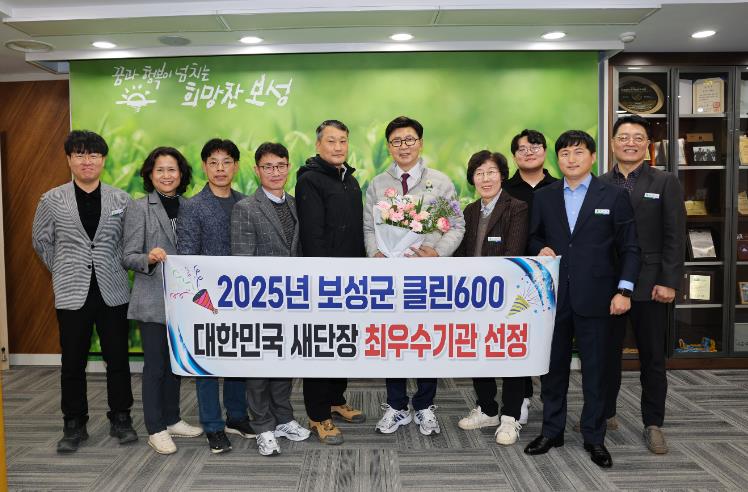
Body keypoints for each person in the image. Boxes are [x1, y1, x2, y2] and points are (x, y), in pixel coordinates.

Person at [523, 130, 640, 469]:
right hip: (554, 298)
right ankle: (551, 431)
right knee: (552, 369)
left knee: (596, 371)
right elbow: (533, 238)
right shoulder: (544, 197)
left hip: (600, 298)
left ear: (592, 157)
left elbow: (630, 247)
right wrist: (539, 248)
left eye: (578, 152)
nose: (571, 159)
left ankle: (594, 436)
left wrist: (624, 290)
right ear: (557, 159)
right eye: (564, 154)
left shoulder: (614, 195)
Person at [32, 130, 137, 453]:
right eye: (79, 155)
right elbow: (41, 241)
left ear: (103, 160)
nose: (86, 161)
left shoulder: (121, 199)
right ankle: (74, 423)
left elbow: (128, 243)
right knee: (73, 362)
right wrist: (64, 268)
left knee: (117, 359)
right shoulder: (51, 199)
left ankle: (121, 418)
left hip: (113, 290)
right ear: (69, 160)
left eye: (93, 155)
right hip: (71, 291)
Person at [363, 115, 465, 436]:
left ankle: (424, 405)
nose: (403, 146)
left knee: (424, 338)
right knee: (393, 339)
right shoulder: (377, 184)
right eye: (396, 141)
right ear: (388, 147)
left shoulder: (441, 182)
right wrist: (376, 254)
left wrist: (438, 252)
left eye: (409, 140)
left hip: (427, 277)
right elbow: (369, 227)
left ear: (420, 143)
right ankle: (396, 406)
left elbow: (457, 224)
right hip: (390, 278)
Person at [598, 115, 685, 454]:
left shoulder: (665, 182)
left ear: (647, 144)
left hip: (650, 284)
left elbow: (675, 234)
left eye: (637, 137)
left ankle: (653, 423)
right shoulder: (600, 183)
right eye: (623, 137)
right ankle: (605, 414)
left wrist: (669, 280)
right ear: (613, 143)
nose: (630, 143)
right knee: (606, 356)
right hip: (608, 284)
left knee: (652, 358)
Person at [231, 142, 311, 456]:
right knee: (259, 369)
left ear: (288, 167)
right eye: (268, 167)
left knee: (284, 362)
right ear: (257, 170)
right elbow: (242, 261)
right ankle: (263, 426)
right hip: (259, 303)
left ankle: (284, 419)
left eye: (280, 166)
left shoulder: (295, 204)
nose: (275, 172)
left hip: (292, 300)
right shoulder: (245, 208)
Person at [122, 147, 203, 455]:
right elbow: (128, 256)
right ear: (150, 175)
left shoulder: (190, 206)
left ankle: (172, 418)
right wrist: (149, 257)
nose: (166, 176)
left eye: (172, 170)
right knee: (155, 367)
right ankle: (155, 428)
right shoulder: (139, 208)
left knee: (175, 365)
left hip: (185, 302)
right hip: (153, 300)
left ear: (181, 174)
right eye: (160, 170)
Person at [176, 138, 254, 454]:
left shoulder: (246, 202)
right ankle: (212, 425)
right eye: (213, 162)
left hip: (241, 297)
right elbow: (187, 255)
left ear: (236, 166)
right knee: (207, 363)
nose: (220, 168)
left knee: (238, 358)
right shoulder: (192, 206)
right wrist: (202, 297)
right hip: (207, 299)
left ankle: (237, 416)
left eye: (226, 162)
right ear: (204, 166)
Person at [295, 120, 367, 445]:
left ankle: (336, 400)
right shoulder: (309, 180)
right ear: (318, 145)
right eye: (331, 141)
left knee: (343, 343)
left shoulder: (350, 180)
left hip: (351, 280)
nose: (338, 147)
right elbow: (313, 237)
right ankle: (317, 415)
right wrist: (324, 281)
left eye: (343, 141)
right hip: (324, 281)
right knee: (321, 347)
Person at [453, 150, 528, 445]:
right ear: (472, 178)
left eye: (491, 172)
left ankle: (510, 416)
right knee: (478, 352)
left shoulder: (516, 207)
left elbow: (513, 252)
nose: (485, 179)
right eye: (479, 173)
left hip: (506, 296)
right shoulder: (470, 211)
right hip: (474, 296)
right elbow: (461, 254)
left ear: (502, 176)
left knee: (510, 354)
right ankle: (487, 409)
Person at [503, 128, 559, 424]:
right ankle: (521, 397)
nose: (528, 152)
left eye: (535, 147)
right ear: (514, 156)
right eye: (522, 149)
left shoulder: (560, 187)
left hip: (552, 276)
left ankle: (551, 399)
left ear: (545, 152)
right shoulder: (505, 189)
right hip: (515, 277)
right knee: (519, 336)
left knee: (551, 338)